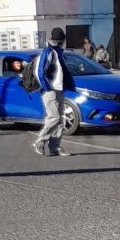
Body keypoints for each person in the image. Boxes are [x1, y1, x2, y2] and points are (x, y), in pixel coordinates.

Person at [34, 27, 76, 157]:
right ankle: (40, 141)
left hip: (59, 89)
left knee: (60, 119)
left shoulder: (58, 52)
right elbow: (39, 72)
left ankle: (55, 147)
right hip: (50, 90)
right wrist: (47, 87)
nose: (63, 42)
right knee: (54, 117)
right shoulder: (48, 52)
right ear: (60, 40)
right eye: (62, 40)